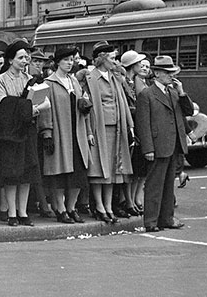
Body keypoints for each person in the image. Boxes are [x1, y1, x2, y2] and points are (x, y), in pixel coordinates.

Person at [135, 54, 195, 233]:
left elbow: (188, 111)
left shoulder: (175, 92)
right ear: (158, 74)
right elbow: (143, 123)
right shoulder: (147, 94)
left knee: (169, 184)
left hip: (174, 145)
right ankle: (151, 221)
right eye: (168, 73)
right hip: (158, 145)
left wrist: (182, 92)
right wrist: (148, 148)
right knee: (154, 185)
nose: (172, 76)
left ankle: (166, 218)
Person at [0, 42, 44, 225]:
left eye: (26, 57)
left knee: (27, 173)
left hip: (27, 130)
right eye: (20, 57)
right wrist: (30, 108)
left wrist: (30, 109)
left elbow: (40, 102)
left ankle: (23, 212)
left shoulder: (31, 78)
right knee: (11, 173)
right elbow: (5, 105)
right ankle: (11, 212)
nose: (24, 61)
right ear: (10, 59)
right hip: (10, 133)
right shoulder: (0, 80)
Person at [40, 44, 91, 224]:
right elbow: (45, 110)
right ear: (57, 63)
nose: (70, 63)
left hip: (77, 133)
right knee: (59, 174)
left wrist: (85, 105)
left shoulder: (74, 81)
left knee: (78, 173)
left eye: (72, 60)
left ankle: (71, 207)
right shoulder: (49, 83)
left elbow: (84, 104)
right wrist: (47, 132)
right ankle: (60, 209)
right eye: (66, 60)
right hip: (61, 133)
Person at [82, 41, 133, 224]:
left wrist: (129, 125)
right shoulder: (90, 77)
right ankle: (99, 206)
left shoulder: (115, 77)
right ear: (102, 58)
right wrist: (88, 131)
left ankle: (109, 206)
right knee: (98, 169)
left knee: (113, 169)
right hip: (99, 128)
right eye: (112, 58)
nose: (115, 61)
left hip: (116, 127)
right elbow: (86, 107)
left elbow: (124, 103)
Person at [119, 49, 152, 215]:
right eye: (139, 63)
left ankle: (131, 199)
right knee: (130, 164)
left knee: (137, 166)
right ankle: (127, 200)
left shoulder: (133, 81)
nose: (142, 65)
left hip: (136, 124)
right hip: (129, 125)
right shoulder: (125, 82)